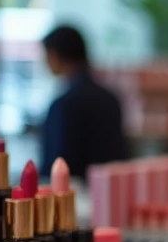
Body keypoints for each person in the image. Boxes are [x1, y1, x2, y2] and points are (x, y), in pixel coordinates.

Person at [39, 25, 129, 177]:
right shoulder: (111, 97)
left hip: (70, 193)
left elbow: (54, 163)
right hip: (108, 189)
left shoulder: (64, 104)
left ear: (54, 55)